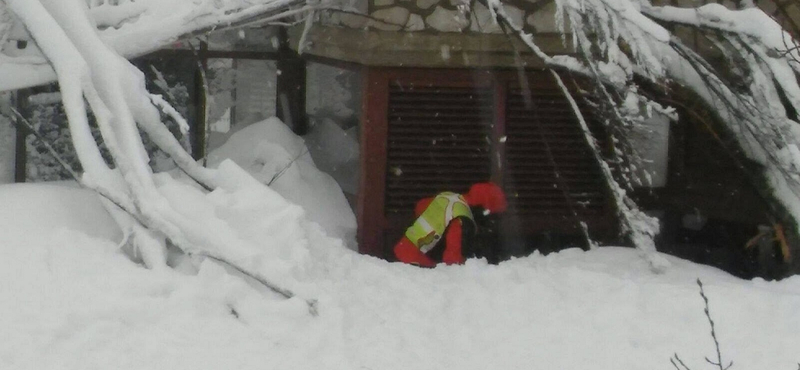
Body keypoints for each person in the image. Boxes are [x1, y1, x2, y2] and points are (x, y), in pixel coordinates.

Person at [393, 182, 507, 267]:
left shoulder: (448, 197)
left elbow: (420, 206)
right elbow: (452, 260)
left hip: (401, 252)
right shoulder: (463, 219)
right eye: (493, 216)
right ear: (483, 210)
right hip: (417, 264)